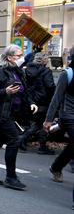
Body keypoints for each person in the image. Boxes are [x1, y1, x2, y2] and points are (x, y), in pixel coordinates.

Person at [0, 44, 38, 190]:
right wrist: (4, 91)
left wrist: (31, 103)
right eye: (18, 55)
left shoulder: (18, 71)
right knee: (14, 140)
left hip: (10, 113)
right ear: (10, 57)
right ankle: (11, 177)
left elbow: (23, 92)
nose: (21, 58)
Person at [44, 46, 74, 186]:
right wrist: (48, 119)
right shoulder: (67, 73)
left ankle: (56, 167)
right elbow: (56, 98)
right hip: (69, 115)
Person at [20, 52, 55, 154]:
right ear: (44, 60)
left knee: (37, 123)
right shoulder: (46, 71)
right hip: (43, 100)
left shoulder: (28, 70)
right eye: (47, 58)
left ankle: (22, 140)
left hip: (32, 100)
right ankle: (42, 147)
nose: (48, 60)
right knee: (43, 123)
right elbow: (50, 86)